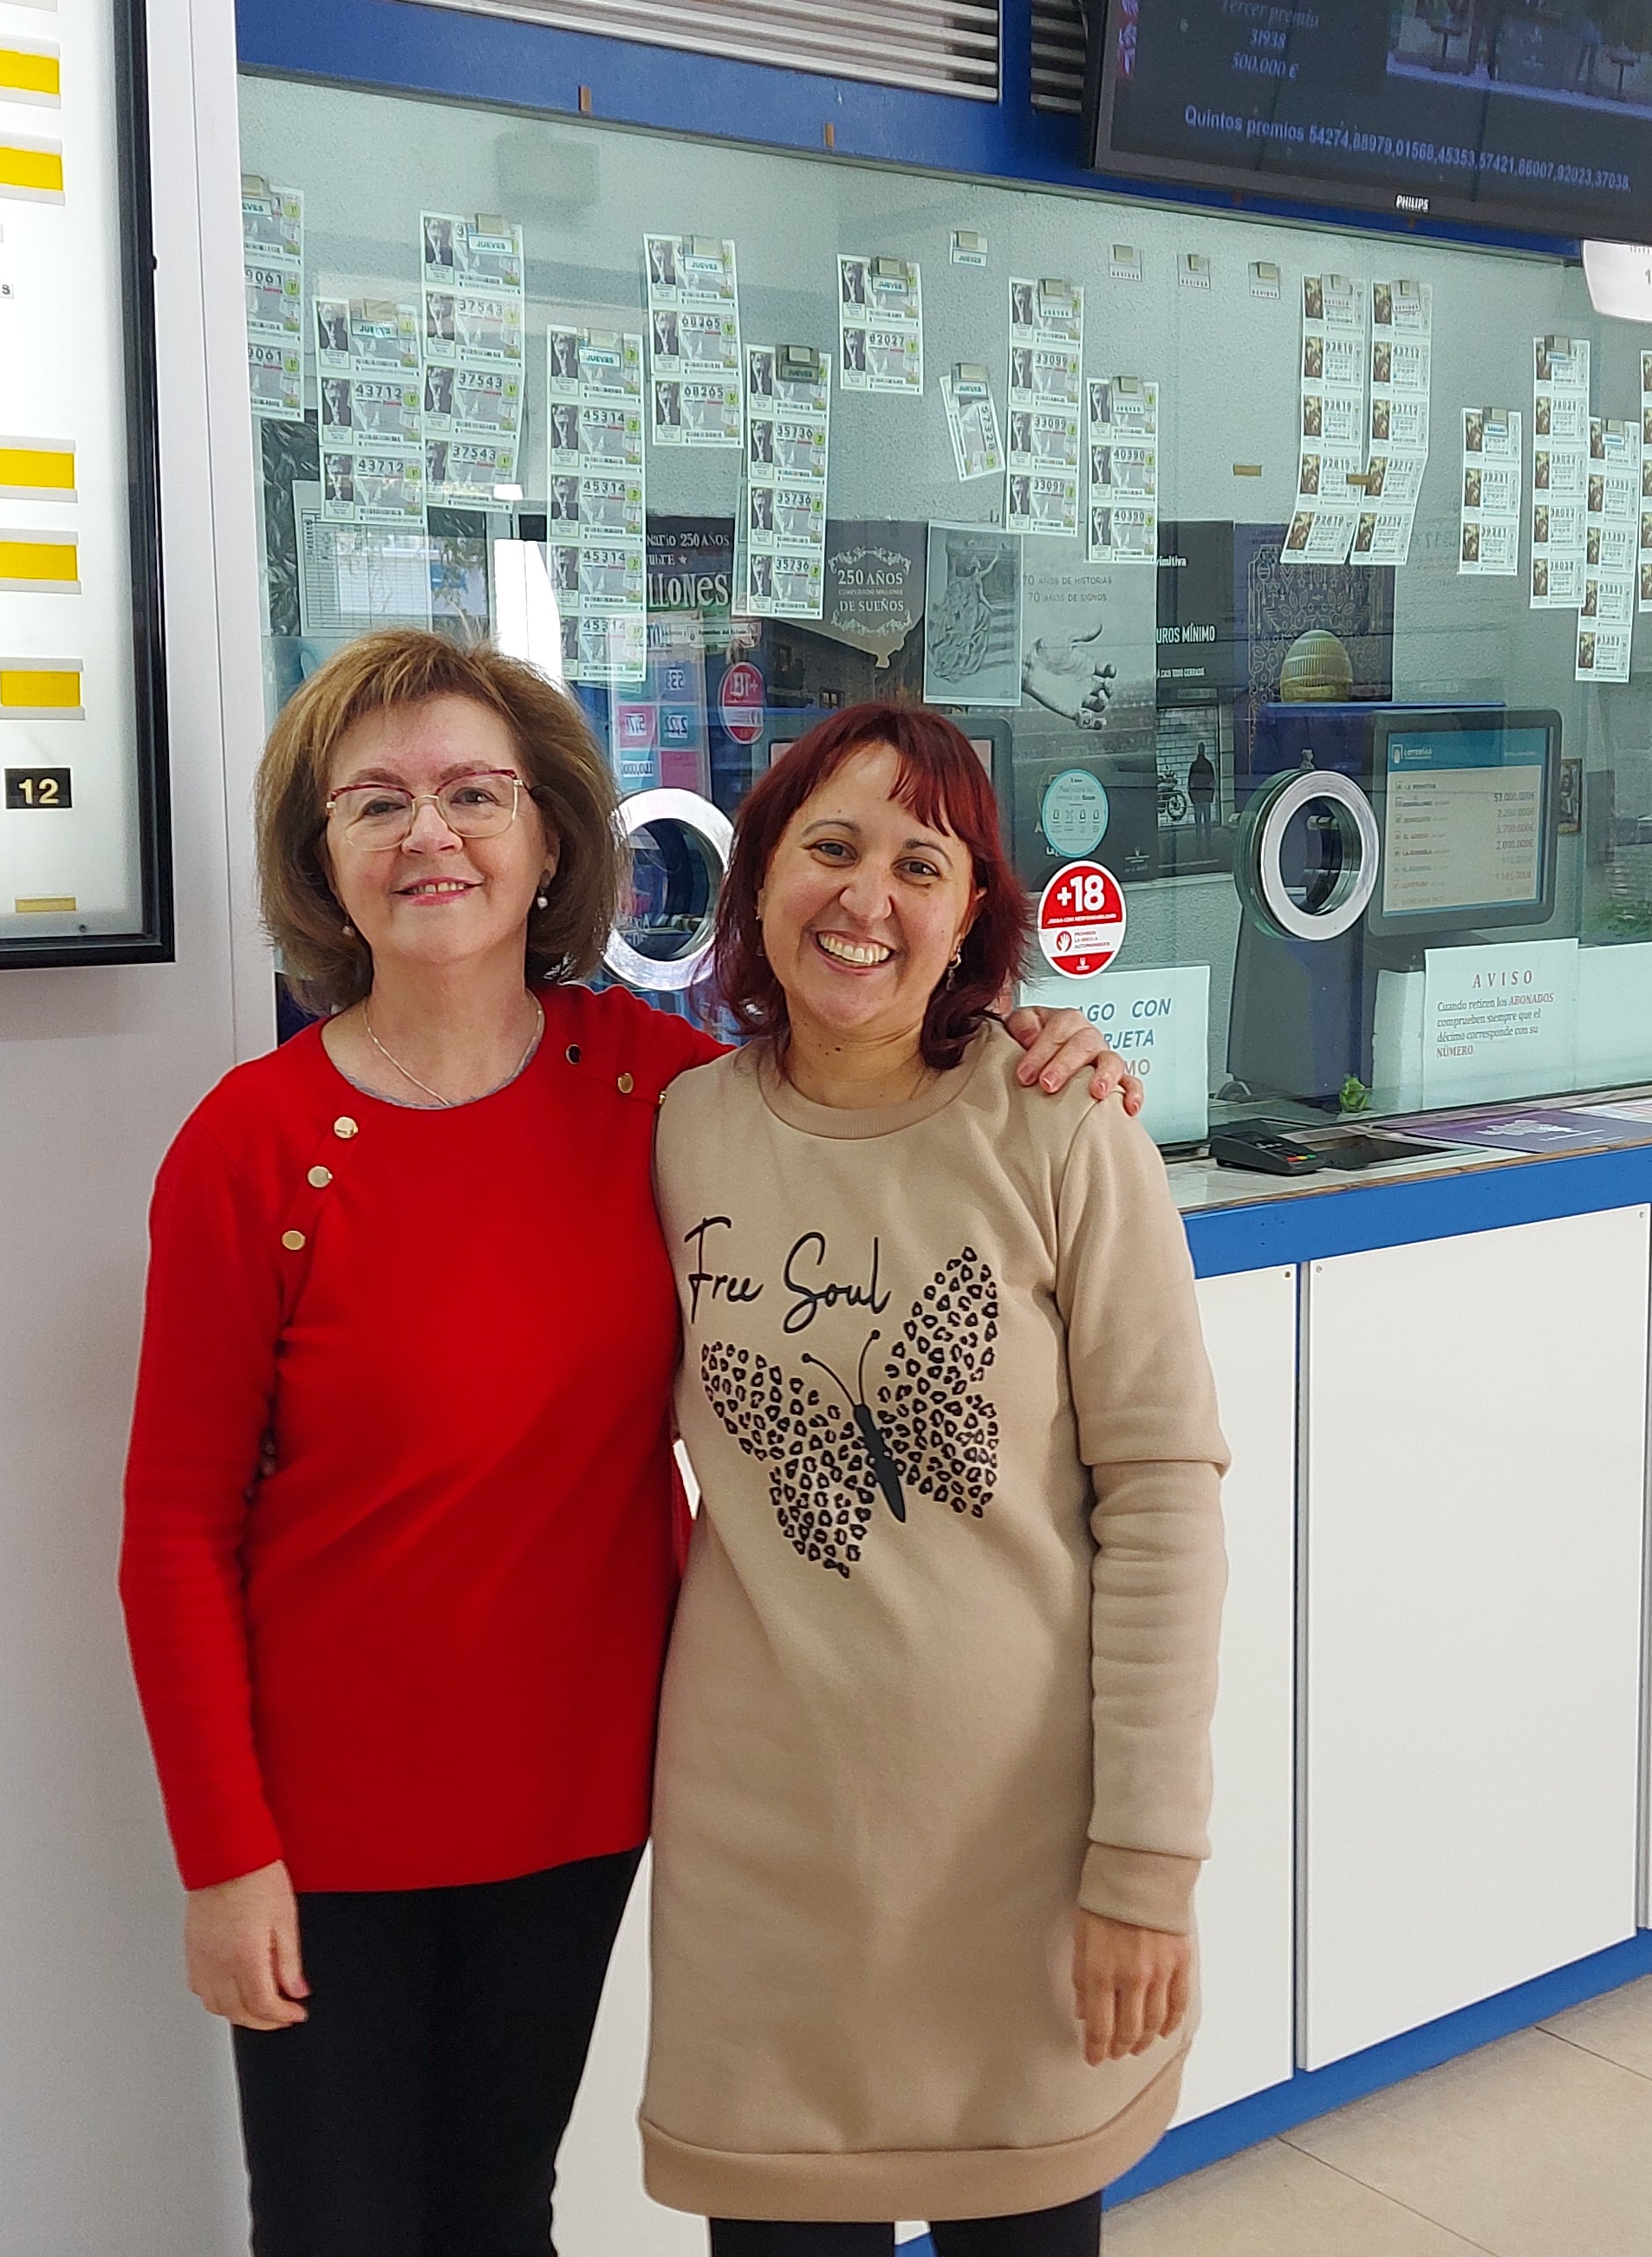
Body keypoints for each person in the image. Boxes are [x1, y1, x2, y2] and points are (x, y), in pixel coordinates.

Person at [120, 633, 1131, 2257]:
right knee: (333, 2228)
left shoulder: (654, 1093)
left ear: (548, 841)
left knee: (497, 2210)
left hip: (580, 1800)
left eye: (472, 794)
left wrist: (1029, 1037)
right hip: (326, 1825)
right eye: (373, 805)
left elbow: (862, 1072)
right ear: (324, 859)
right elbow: (174, 1528)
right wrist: (222, 1853)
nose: (428, 836)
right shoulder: (252, 1149)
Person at [642, 704, 1228, 2254]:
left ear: (972, 911)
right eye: (828, 847)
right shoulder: (677, 1131)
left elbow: (1165, 1504)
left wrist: (1146, 1862)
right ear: (759, 877)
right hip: (762, 1862)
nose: (867, 898)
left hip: (1021, 1857)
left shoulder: (1059, 1127)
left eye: (922, 862)